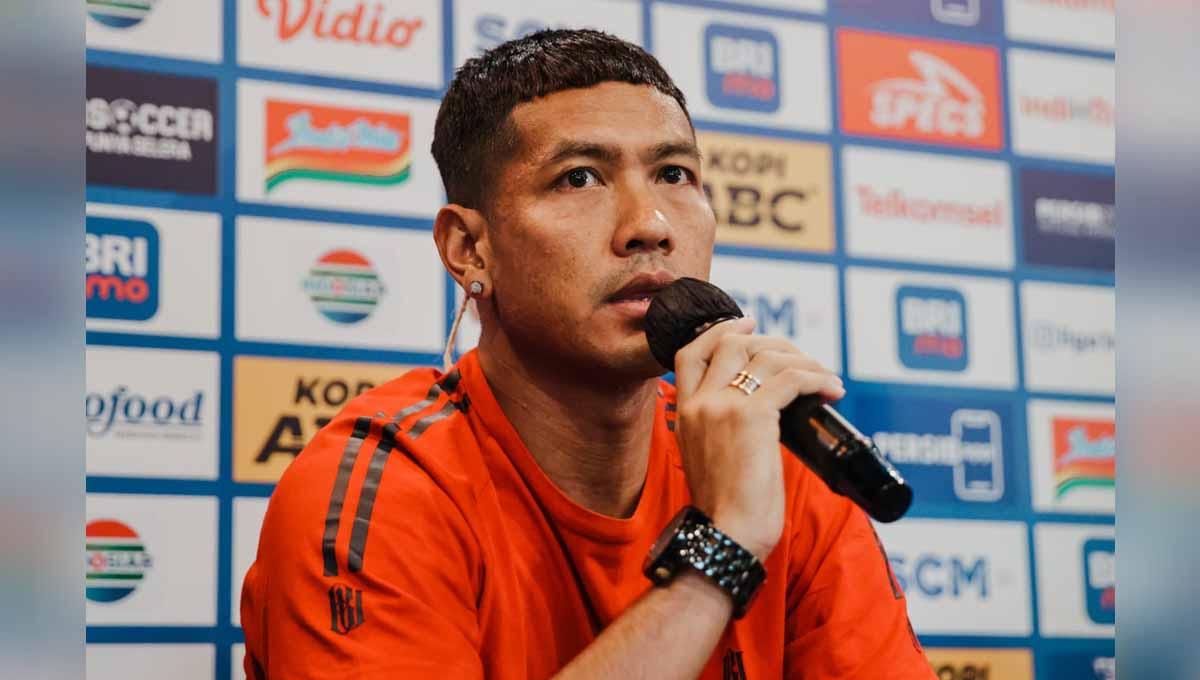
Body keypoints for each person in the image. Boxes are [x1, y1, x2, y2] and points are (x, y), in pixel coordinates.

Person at [241, 28, 934, 680]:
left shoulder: (775, 467)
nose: (649, 226)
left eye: (674, 174)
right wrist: (720, 548)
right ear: (469, 249)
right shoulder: (386, 489)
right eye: (579, 178)